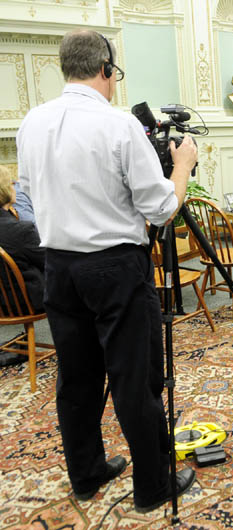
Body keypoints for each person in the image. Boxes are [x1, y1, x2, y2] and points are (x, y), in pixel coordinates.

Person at [16, 30, 198, 511]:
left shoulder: (32, 122)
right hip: (115, 267)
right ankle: (152, 487)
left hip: (59, 268)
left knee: (76, 378)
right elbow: (160, 208)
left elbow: (28, 195)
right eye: (114, 74)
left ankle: (87, 473)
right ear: (105, 68)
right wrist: (182, 165)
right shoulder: (119, 127)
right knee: (134, 379)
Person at [0, 165, 45, 366]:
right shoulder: (22, 230)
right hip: (23, 302)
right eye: (12, 184)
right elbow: (49, 263)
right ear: (6, 190)